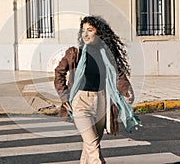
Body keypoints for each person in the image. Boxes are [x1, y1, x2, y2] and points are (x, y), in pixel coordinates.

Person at [54, 15, 140, 164]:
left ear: (98, 33)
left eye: (90, 30)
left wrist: (126, 90)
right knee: (93, 146)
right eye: (83, 31)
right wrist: (64, 95)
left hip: (101, 102)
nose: (85, 34)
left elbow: (117, 74)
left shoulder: (106, 54)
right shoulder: (75, 53)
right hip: (80, 101)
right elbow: (59, 73)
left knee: (90, 145)